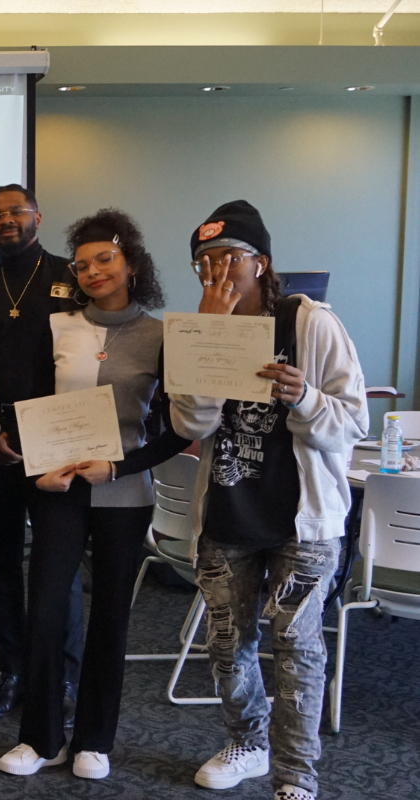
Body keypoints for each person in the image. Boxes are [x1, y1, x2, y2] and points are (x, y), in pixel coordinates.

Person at [171, 201, 367, 800]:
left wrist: (304, 397)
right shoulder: (194, 326)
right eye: (205, 260)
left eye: (231, 256)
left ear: (263, 263)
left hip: (300, 521)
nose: (218, 269)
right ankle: (248, 742)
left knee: (297, 648)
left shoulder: (309, 324)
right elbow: (189, 423)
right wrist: (208, 334)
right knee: (228, 645)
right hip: (230, 511)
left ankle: (295, 775)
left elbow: (353, 421)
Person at [0, 210, 190, 781]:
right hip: (59, 490)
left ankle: (94, 741)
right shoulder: (58, 327)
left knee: (111, 618)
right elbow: (30, 409)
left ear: (130, 260)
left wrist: (120, 464)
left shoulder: (160, 336)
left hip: (124, 493)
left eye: (104, 259)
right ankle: (40, 738)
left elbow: (179, 430)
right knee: (48, 611)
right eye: (80, 265)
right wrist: (37, 471)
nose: (92, 272)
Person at [0, 184, 86, 720]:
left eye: (15, 212)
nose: (5, 221)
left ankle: (63, 678)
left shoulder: (72, 279)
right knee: (0, 564)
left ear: (37, 216)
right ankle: (11, 672)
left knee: (59, 570)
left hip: (58, 445)